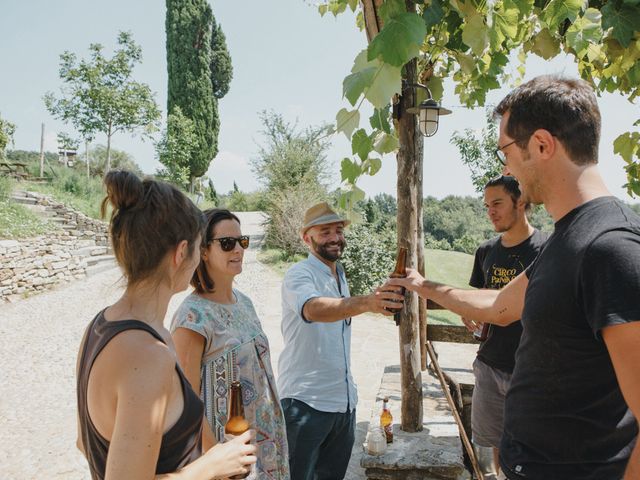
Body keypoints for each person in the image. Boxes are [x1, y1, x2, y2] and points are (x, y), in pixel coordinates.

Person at [388, 76, 640, 480]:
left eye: (505, 150)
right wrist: (421, 284)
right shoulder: (568, 239)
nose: (505, 165)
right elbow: (499, 307)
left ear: (541, 145)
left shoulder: (612, 247)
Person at [76, 171, 257, 480]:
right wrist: (212, 466)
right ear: (180, 253)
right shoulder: (148, 355)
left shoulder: (100, 326)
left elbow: (85, 444)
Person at [277, 202, 404, 480]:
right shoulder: (299, 274)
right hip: (305, 402)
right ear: (306, 237)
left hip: (343, 404)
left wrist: (377, 299)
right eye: (325, 232)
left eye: (338, 230)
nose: (335, 237)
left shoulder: (339, 273)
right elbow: (313, 309)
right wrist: (368, 302)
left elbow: (342, 308)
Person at [171, 209, 290, 479]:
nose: (238, 249)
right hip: (230, 457)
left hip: (267, 447)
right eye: (227, 243)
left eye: (242, 241)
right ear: (203, 251)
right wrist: (216, 462)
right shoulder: (192, 317)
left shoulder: (244, 302)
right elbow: (184, 403)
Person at [462, 175, 547, 480]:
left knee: (531, 452)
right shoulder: (485, 251)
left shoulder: (546, 249)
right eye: (486, 206)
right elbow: (479, 300)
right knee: (493, 447)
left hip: (531, 371)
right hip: (489, 364)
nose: (490, 212)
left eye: (497, 203)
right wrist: (468, 314)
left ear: (520, 202)